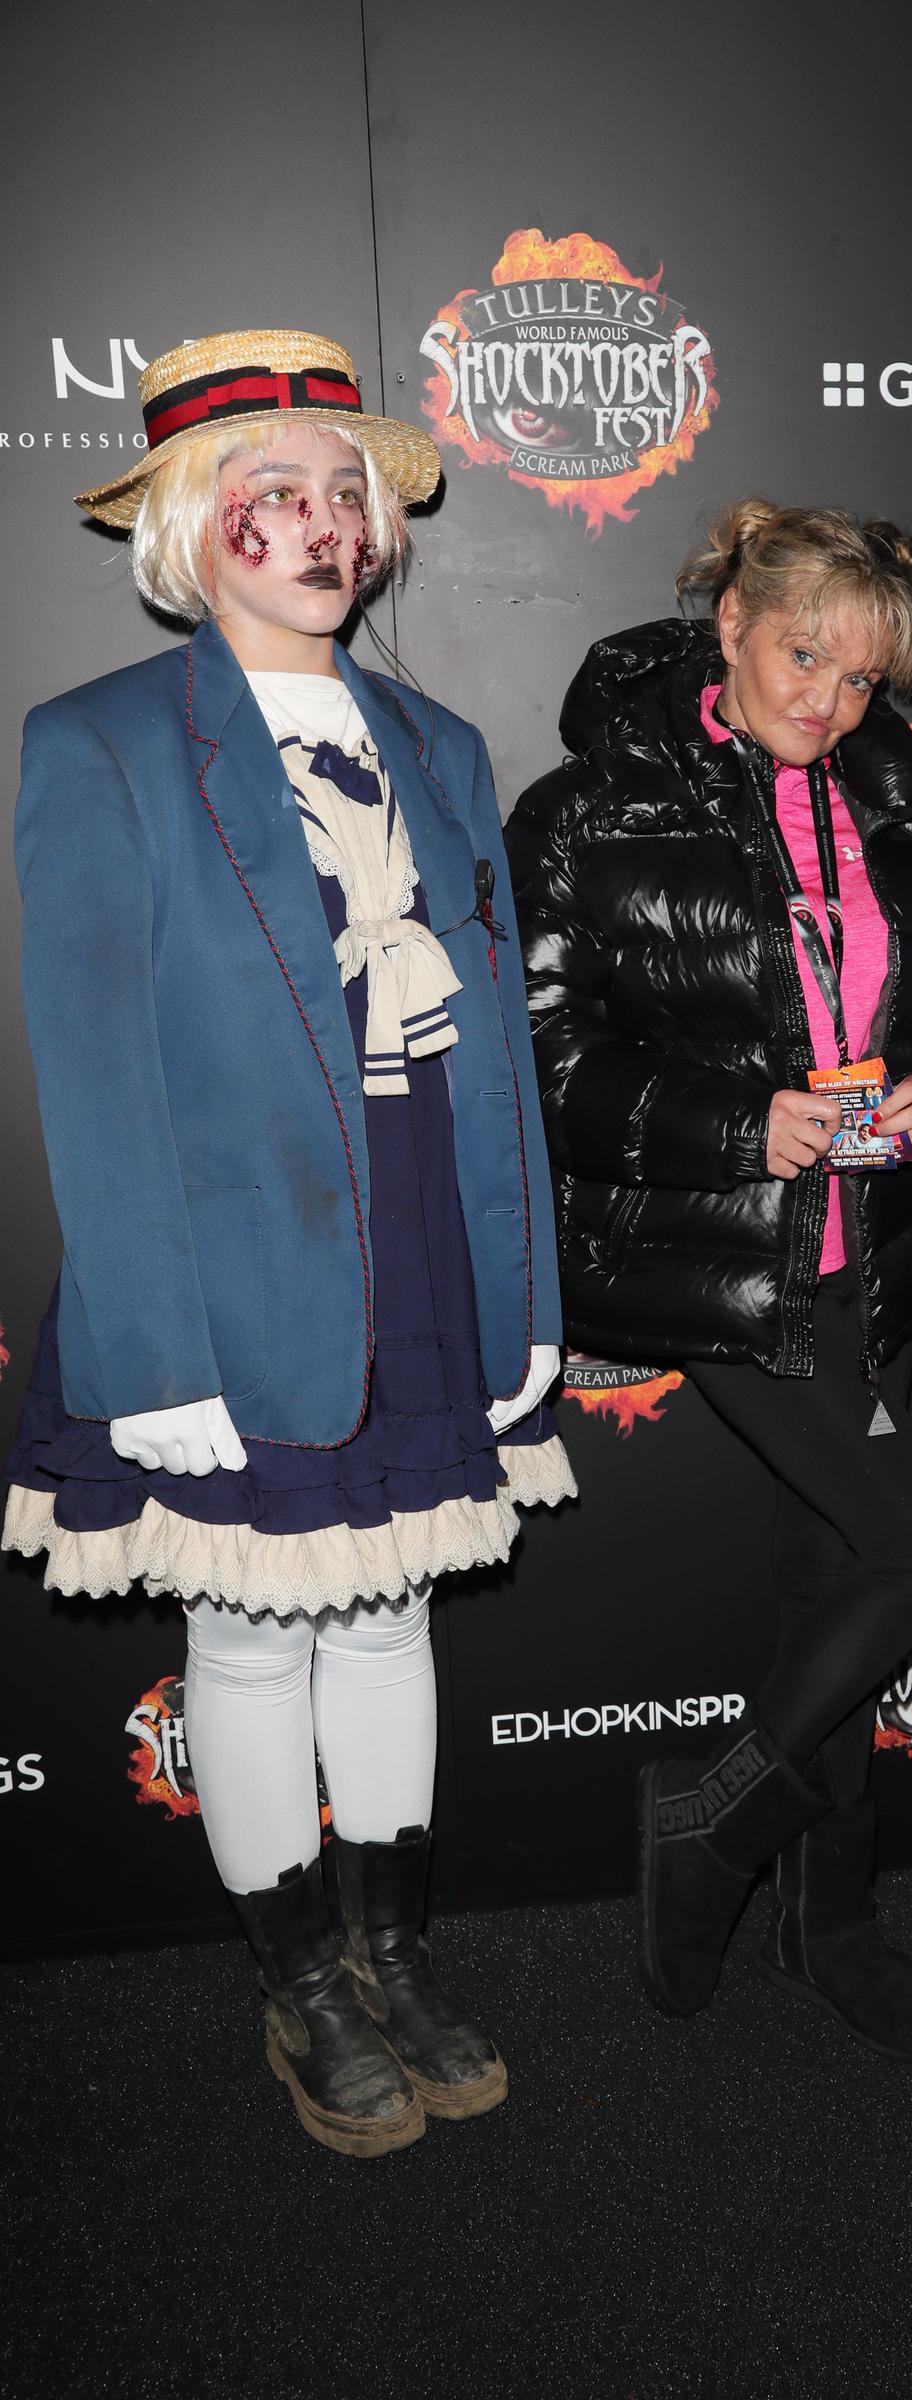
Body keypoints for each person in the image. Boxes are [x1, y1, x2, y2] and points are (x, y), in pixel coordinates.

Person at [2, 330, 571, 2154]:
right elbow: (94, 1080)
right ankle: (297, 1983)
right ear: (191, 526)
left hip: (421, 1240)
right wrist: (151, 1356)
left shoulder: (441, 742)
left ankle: (393, 1955)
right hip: (229, 1263)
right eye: (277, 496)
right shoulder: (95, 746)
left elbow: (494, 1063)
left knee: (394, 1615)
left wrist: (524, 1295)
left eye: (348, 495)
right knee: (247, 1643)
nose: (324, 528)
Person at [507, 501, 912, 2061]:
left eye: (863, 679)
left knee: (835, 1590)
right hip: (726, 1261)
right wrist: (744, 1123)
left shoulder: (904, 797)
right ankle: (708, 1826)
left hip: (878, 1254)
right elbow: (538, 1058)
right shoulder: (585, 809)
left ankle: (830, 1926)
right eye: (806, 654)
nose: (830, 701)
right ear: (730, 620)